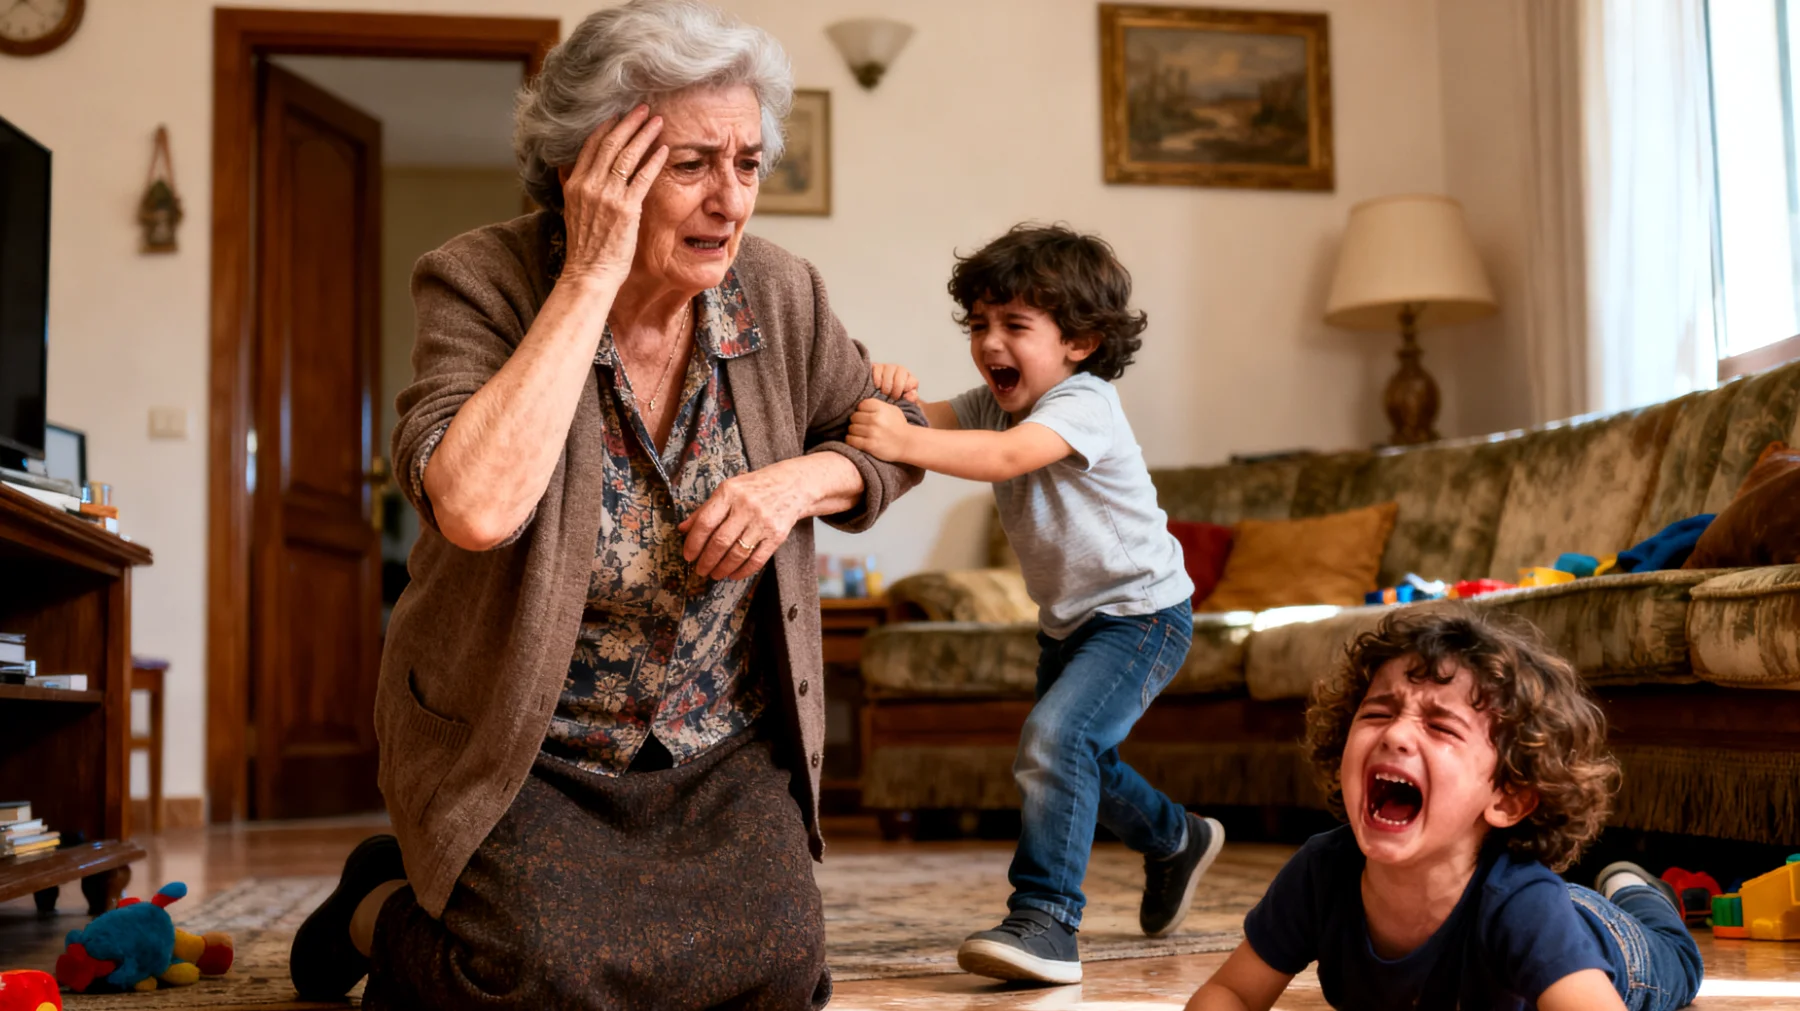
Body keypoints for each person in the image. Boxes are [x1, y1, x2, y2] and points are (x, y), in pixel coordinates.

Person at [285, 3, 922, 1008]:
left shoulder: (779, 293)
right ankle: (375, 908)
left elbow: (893, 430)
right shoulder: (481, 280)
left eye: (748, 164)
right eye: (690, 164)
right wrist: (589, 275)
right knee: (539, 976)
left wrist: (798, 481)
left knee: (778, 976)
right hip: (527, 746)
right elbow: (475, 507)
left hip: (720, 743)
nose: (730, 201)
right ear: (594, 167)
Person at [848, 224, 1223, 985]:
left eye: (1015, 325)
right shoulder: (994, 403)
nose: (990, 342)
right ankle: (1175, 839)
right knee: (1082, 756)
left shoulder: (1085, 402)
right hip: (1071, 622)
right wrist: (887, 395)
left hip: (1142, 616)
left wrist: (902, 439)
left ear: (1081, 340)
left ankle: (1047, 918)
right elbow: (928, 420)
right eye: (980, 324)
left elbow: (1007, 457)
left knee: (1054, 739)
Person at [1185, 607, 1706, 1011]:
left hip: (1615, 947)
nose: (1395, 733)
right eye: (1379, 712)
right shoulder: (1321, 873)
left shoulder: (1523, 909)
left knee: (1679, 958)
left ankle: (1637, 891)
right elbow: (1232, 992)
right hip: (1537, 899)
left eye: (1440, 727)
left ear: (1508, 796)